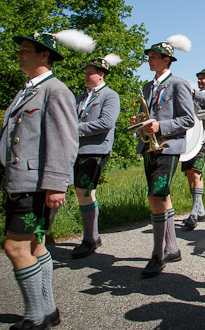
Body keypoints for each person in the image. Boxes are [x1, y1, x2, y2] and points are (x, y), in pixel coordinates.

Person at [0, 31, 81, 330]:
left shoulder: (56, 90)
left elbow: (65, 140)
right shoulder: (27, 91)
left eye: (26, 50)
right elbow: (9, 139)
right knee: (37, 244)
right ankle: (48, 311)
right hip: (19, 183)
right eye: (20, 50)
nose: (19, 54)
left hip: (35, 187)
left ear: (44, 56)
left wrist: (56, 184)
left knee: (16, 248)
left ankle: (34, 316)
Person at [133, 36, 195, 278]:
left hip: (168, 147)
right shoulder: (147, 87)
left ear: (167, 59)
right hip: (149, 148)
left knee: (155, 196)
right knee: (162, 197)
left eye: (154, 57)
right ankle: (172, 248)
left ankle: (157, 255)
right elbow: (146, 117)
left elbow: (188, 120)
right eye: (149, 57)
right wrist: (139, 123)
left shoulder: (178, 84)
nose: (149, 60)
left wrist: (161, 126)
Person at [72, 55, 121, 258]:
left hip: (96, 149)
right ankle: (92, 236)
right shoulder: (82, 97)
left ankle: (89, 239)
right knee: (82, 192)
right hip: (78, 149)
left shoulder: (110, 95)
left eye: (89, 73)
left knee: (84, 191)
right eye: (85, 72)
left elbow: (106, 122)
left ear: (101, 74)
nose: (85, 76)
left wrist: (75, 128)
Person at [181, 68, 205, 230]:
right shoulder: (194, 95)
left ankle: (194, 213)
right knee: (190, 173)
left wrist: (193, 92)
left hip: (204, 138)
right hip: (191, 139)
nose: (199, 81)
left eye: (203, 79)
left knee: (196, 172)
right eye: (198, 79)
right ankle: (201, 210)